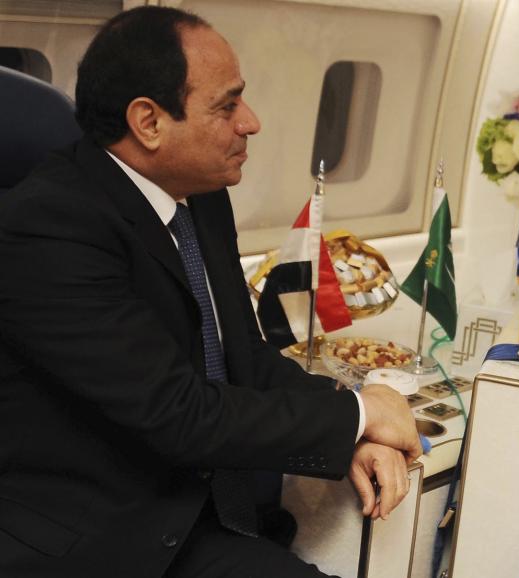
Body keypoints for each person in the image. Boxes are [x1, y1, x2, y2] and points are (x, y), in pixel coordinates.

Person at [0, 7, 420, 578]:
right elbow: (178, 414)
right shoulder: (50, 226)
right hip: (104, 541)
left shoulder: (199, 196)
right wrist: (360, 412)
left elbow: (243, 356)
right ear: (148, 122)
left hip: (202, 513)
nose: (251, 122)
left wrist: (354, 427)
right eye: (227, 106)